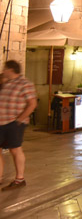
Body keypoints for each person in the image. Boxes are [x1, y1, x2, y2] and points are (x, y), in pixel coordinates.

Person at [0, 60, 37, 190]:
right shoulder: (6, 83)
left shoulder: (25, 84)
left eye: (5, 68)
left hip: (14, 122)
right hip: (1, 121)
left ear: (11, 69)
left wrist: (20, 119)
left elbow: (32, 103)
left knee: (15, 149)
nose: (3, 71)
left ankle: (19, 179)